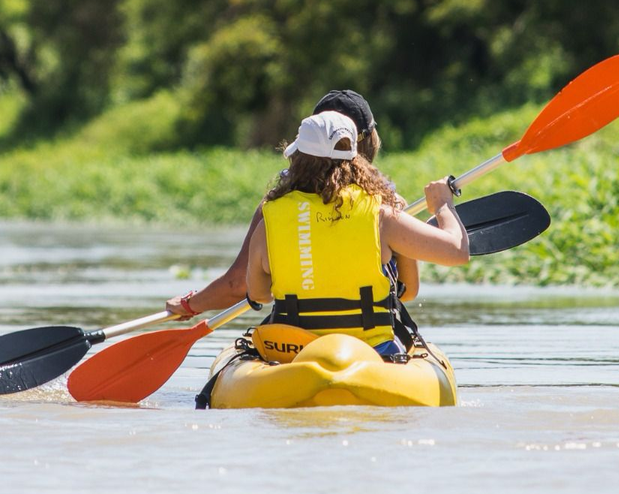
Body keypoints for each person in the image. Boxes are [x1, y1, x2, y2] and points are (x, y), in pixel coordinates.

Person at [164, 90, 422, 318]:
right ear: (366, 140)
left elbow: (239, 285)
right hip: (368, 337)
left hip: (295, 335)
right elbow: (408, 290)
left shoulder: (276, 206)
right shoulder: (387, 204)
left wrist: (190, 304)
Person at [244, 111, 469, 356]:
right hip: (371, 352)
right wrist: (442, 205)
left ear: (297, 159)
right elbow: (457, 251)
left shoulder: (269, 222)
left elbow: (259, 294)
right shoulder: (381, 216)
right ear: (355, 160)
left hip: (294, 353)